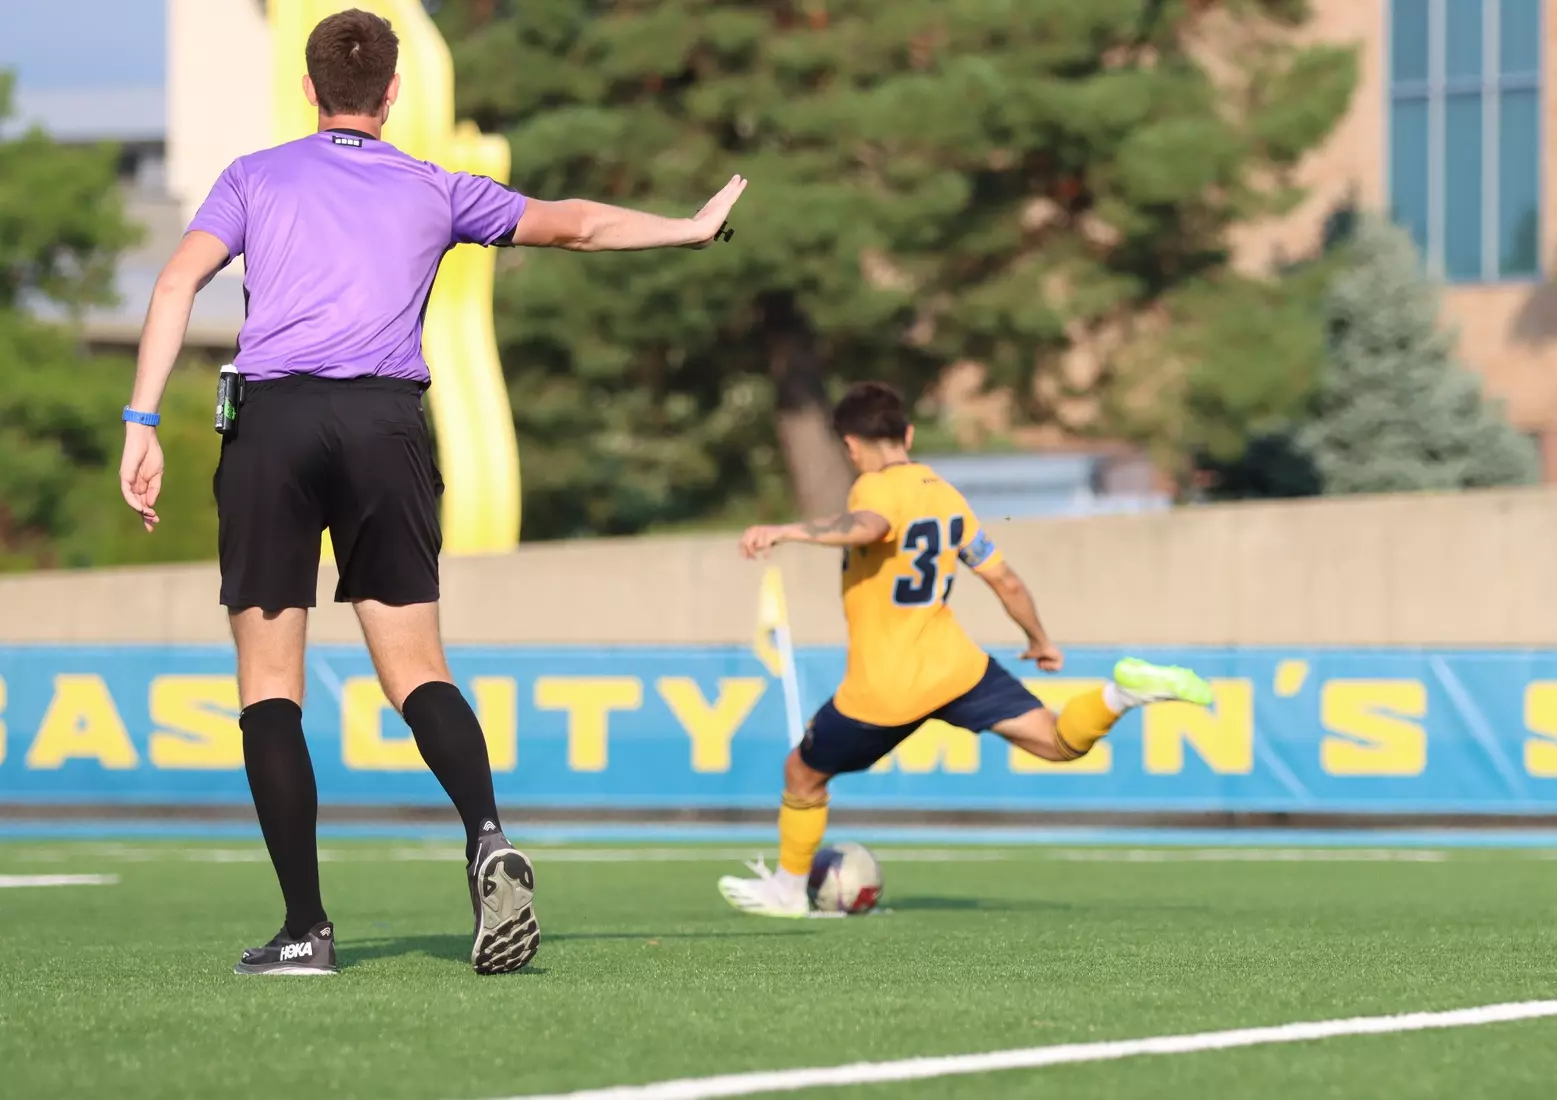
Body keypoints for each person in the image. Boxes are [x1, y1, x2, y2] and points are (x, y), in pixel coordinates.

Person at [118, 8, 747, 975]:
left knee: (268, 687)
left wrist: (143, 422)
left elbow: (172, 288)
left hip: (275, 426)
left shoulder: (252, 175)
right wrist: (690, 228)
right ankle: (486, 832)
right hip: (386, 424)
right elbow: (573, 225)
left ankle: (306, 930)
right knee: (416, 666)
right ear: (395, 93)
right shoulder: (435, 186)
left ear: (308, 87)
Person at [717, 382, 1213, 917]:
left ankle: (789, 891)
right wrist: (1039, 640)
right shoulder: (947, 496)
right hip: (956, 667)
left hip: (888, 684)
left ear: (850, 444)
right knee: (1055, 741)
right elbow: (1006, 581)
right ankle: (1123, 694)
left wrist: (787, 530)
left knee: (802, 773)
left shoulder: (873, 487)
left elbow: (870, 526)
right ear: (907, 433)